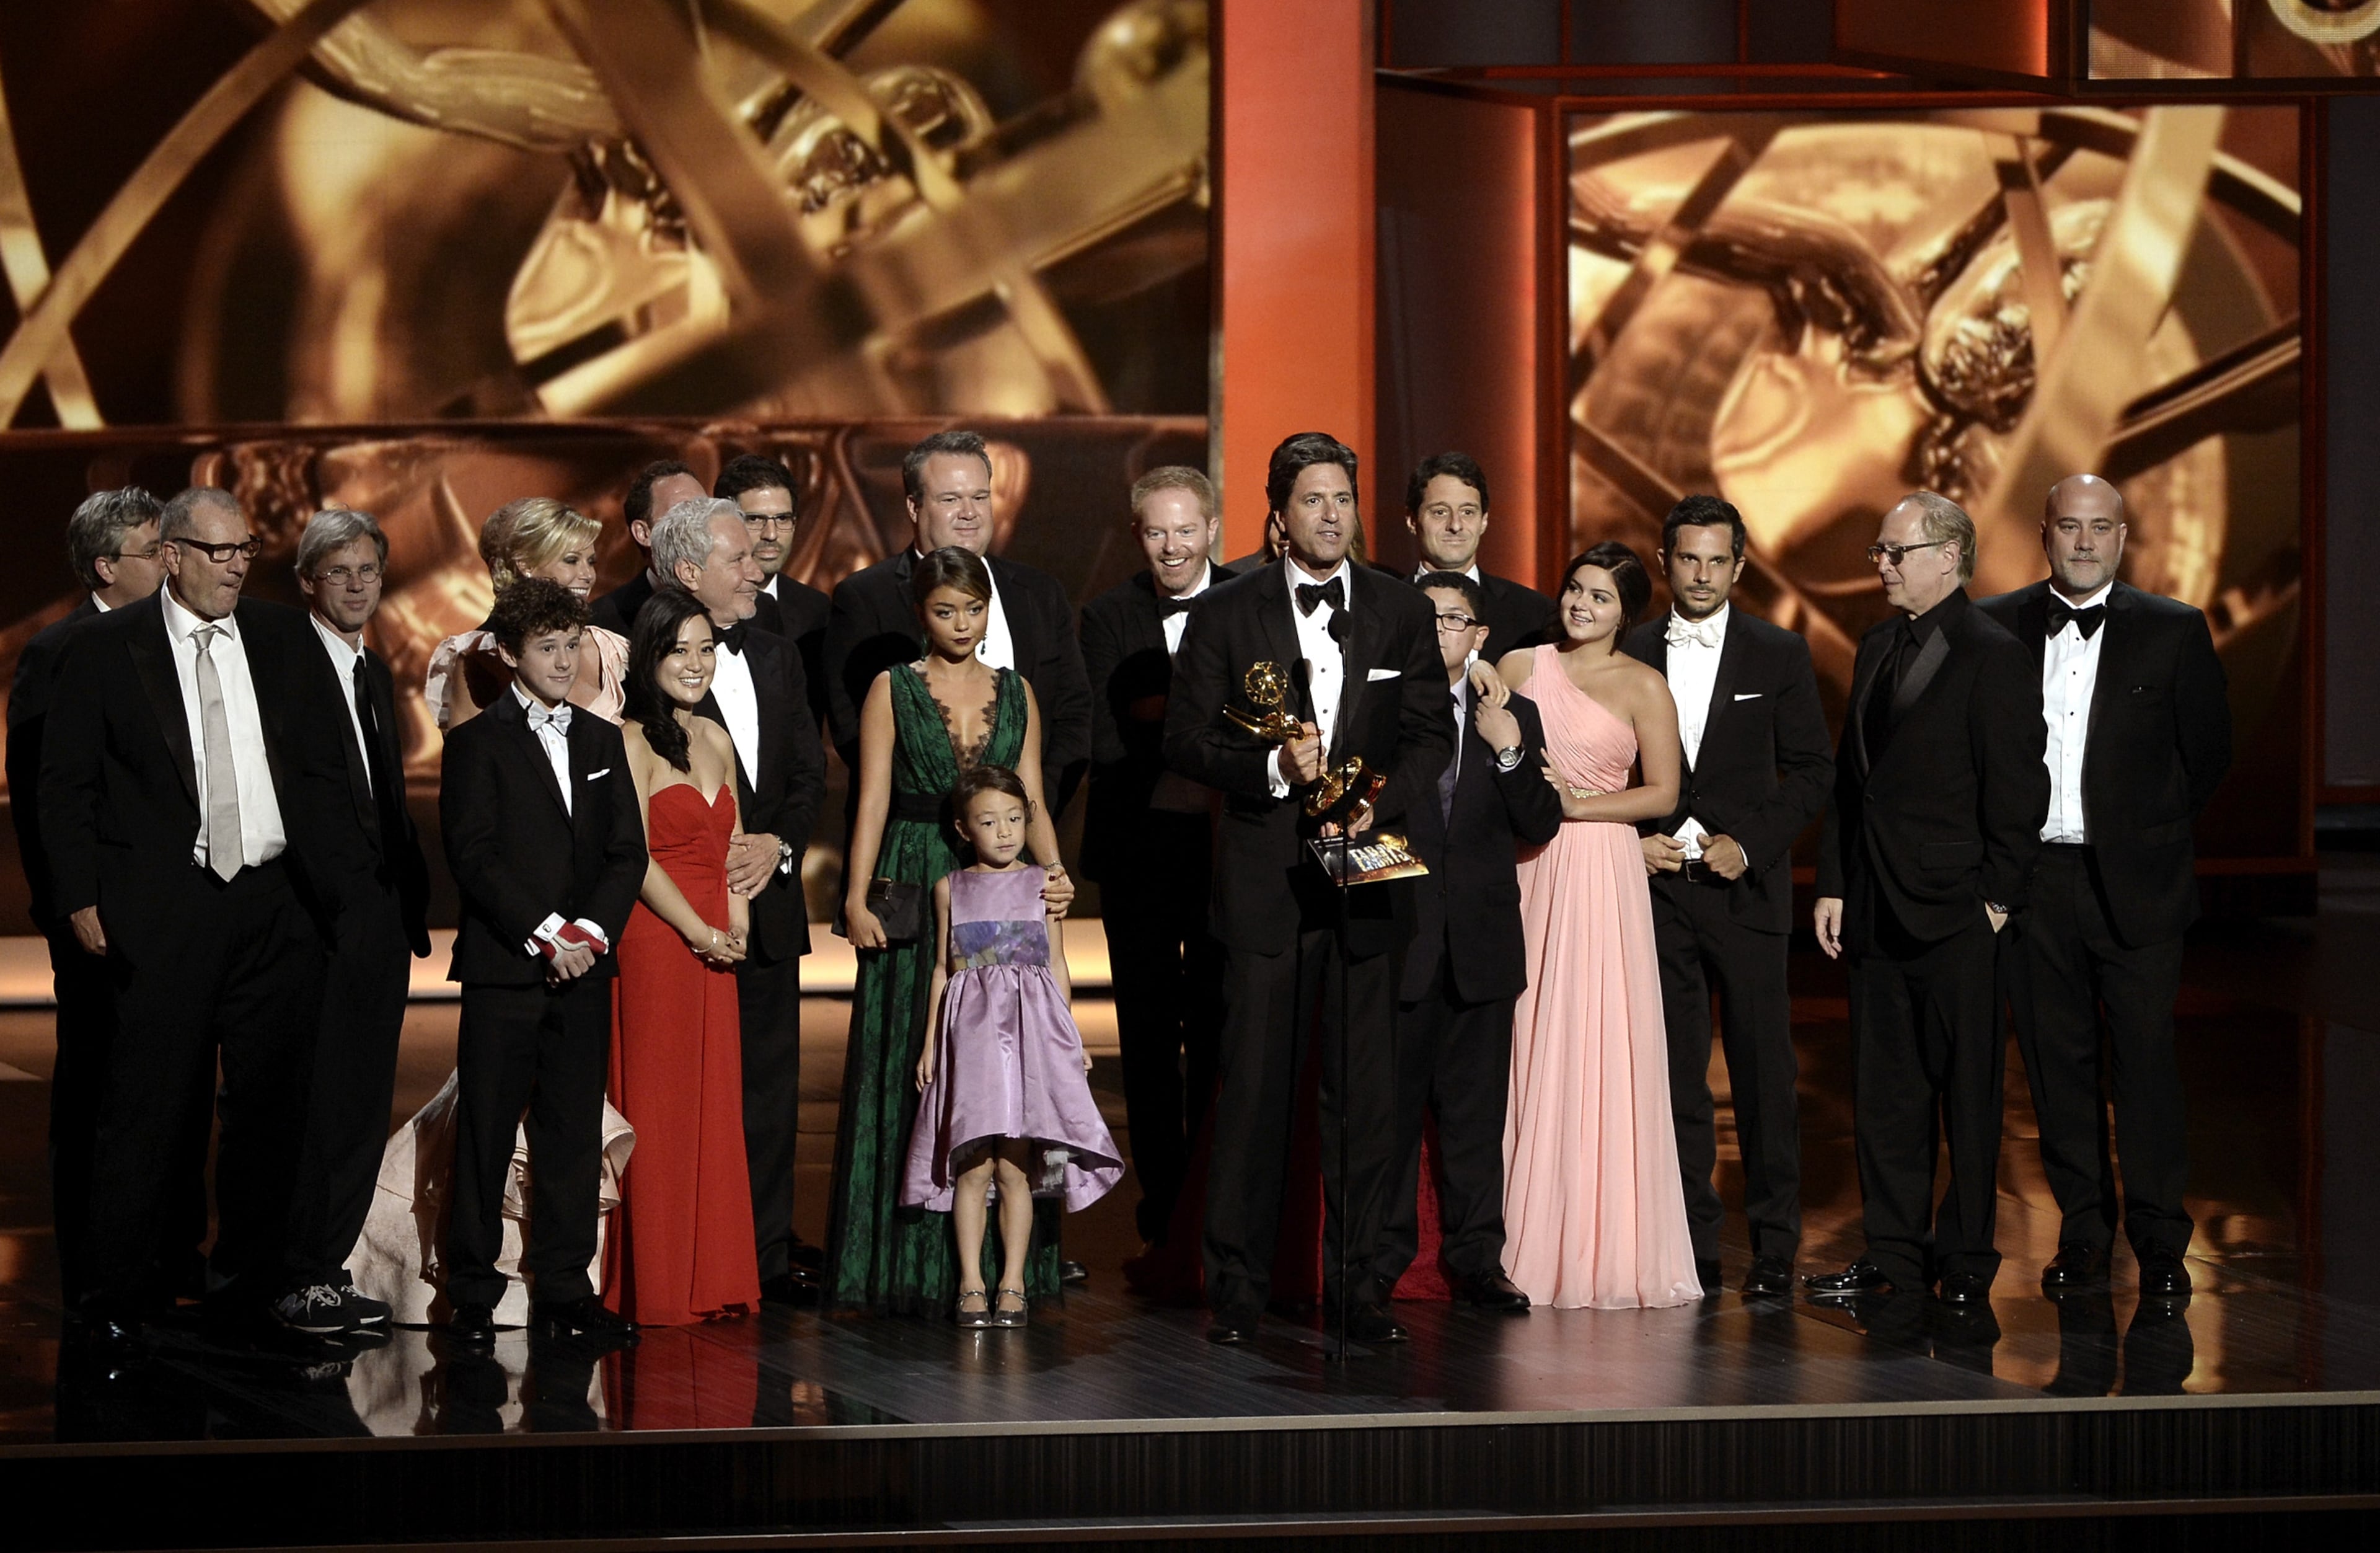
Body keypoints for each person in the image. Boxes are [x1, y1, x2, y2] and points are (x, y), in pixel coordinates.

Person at [1162, 430, 1452, 1347]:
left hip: (1367, 883)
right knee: (1253, 1088)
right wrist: (1276, 773)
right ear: (1279, 517)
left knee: (1366, 1095)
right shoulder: (1226, 612)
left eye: (1343, 499)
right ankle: (1240, 1288)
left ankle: (1363, 1285)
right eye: (1314, 501)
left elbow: (1429, 736)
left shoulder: (1401, 611)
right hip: (1264, 887)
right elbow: (1185, 742)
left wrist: (1378, 803)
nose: (1333, 516)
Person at [40, 486, 335, 1337]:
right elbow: (64, 787)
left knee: (270, 1111)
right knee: (148, 1111)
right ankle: (117, 1301)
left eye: (246, 550)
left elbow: (319, 770)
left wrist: (334, 897)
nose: (238, 565)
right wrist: (78, 897)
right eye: (220, 552)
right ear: (171, 555)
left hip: (278, 910)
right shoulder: (102, 649)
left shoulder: (282, 636)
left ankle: (251, 1286)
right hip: (164, 911)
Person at [1978, 474, 2230, 1302]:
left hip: (2139, 885)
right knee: (2057, 1068)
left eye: (2101, 529)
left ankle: (2160, 1242)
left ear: (2123, 538)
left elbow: (2207, 757)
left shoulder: (2176, 631)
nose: (2085, 543)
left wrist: (2141, 832)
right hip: (2035, 883)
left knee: (2147, 1067)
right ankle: (2084, 1232)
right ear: (2044, 534)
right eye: (2070, 528)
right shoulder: (1996, 625)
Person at [1809, 491, 2048, 1311]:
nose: (1879, 564)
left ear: (1947, 556)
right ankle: (1893, 1256)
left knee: (1970, 1097)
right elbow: (1854, 783)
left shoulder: (1993, 652)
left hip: (1958, 912)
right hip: (1876, 906)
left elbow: (2020, 791)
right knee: (1885, 1095)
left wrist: (1996, 901)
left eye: (1893, 551)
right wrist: (1836, 881)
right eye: (1879, 550)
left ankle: (1968, 1260)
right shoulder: (1876, 644)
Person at [831, 546, 1073, 1315]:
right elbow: (870, 797)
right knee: (913, 1059)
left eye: (973, 610)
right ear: (920, 613)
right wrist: (854, 895)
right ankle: (908, 1265)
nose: (961, 624)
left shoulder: (1019, 691)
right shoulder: (890, 689)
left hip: (1002, 891)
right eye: (945, 611)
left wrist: (1056, 872)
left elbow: (1029, 793)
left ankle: (1006, 1273)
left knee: (1006, 1078)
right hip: (914, 874)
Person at [1620, 495, 1833, 1298]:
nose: (1702, 574)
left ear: (1740, 567)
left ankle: (1776, 1244)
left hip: (1747, 895)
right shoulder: (1632, 650)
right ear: (1665, 562)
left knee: (1763, 1077)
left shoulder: (1779, 654)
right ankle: (1692, 1244)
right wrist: (1629, 844)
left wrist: (1754, 843)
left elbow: (1814, 769)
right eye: (1687, 559)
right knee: (1675, 1078)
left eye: (1717, 560)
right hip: (1660, 893)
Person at [439, 577, 646, 1345]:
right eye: (548, 647)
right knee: (487, 1135)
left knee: (570, 1136)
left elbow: (627, 851)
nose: (563, 661)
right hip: (508, 969)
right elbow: (475, 856)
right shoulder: (475, 745)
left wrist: (588, 934)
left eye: (571, 645)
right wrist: (547, 934)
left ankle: (566, 1292)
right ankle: (472, 1295)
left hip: (585, 968)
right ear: (510, 653)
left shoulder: (600, 741)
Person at [1495, 541, 1701, 1310]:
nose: (1581, 605)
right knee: (1527, 1035)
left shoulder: (1645, 685)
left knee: (1595, 1042)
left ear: (1626, 613)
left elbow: (1661, 795)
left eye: (1601, 598)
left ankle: (1598, 1242)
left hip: (1601, 871)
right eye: (1576, 589)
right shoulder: (1520, 667)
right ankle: (1513, 1238)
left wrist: (1579, 806)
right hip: (1528, 867)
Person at [650, 495, 828, 1303]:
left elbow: (805, 773)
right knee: (690, 1097)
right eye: (737, 557)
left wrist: (776, 845)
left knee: (768, 1095)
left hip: (770, 903)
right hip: (684, 920)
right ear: (689, 572)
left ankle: (761, 1254)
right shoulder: (652, 666)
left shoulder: (780, 653)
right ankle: (687, 1255)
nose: (758, 567)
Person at [1374, 572, 1563, 1309]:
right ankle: (1379, 1264)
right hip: (1400, 942)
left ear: (1481, 636)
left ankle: (1478, 1261)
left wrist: (1510, 750)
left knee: (1477, 1120)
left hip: (1482, 945)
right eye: (1426, 618)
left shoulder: (1516, 715)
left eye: (1454, 619)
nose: (1439, 629)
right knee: (1389, 1120)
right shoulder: (1380, 711)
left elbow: (1540, 823)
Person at [7, 487, 169, 1309]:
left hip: (175, 911)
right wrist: (71, 902)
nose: (172, 562)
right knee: (97, 1093)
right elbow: (45, 795)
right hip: (98, 917)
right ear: (107, 564)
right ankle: (93, 1273)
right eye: (155, 549)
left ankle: (162, 1261)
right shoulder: (58, 649)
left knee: (163, 1094)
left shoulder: (183, 642)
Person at [273, 508, 433, 1335]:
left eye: (369, 569)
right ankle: (302, 1275)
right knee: (322, 1104)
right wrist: (341, 904)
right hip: (323, 925)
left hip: (378, 919)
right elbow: (301, 801)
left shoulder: (369, 669)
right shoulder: (290, 664)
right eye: (340, 571)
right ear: (308, 580)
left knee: (366, 1101)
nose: (359, 584)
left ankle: (328, 1270)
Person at [905, 765, 1123, 1327]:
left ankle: (1014, 1282)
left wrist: (1069, 1036)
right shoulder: (949, 888)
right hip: (972, 1037)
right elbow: (941, 970)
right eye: (988, 821)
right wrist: (932, 1042)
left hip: (1029, 1034)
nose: (1004, 831)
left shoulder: (1044, 884)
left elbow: (1056, 963)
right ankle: (971, 1283)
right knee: (973, 1166)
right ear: (962, 828)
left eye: (1013, 818)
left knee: (1016, 1167)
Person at [1077, 465, 1229, 1249]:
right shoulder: (1107, 615)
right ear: (1139, 535)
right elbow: (1107, 740)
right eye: (1156, 531)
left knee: (1217, 1023)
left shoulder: (1248, 598)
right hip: (1139, 846)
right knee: (1143, 1032)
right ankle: (1163, 1206)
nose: (1173, 546)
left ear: (1212, 528)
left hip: (1220, 850)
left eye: (1186, 529)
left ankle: (1213, 1199)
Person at [605, 586, 762, 1325]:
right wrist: (699, 933)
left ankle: (712, 1277)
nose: (696, 665)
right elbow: (632, 859)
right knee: (661, 1112)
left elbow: (733, 843)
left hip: (714, 946)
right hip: (657, 943)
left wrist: (736, 923)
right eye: (680, 651)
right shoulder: (630, 740)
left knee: (713, 1109)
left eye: (707, 650)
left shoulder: (717, 739)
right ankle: (661, 1285)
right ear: (651, 657)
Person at [823, 429, 1093, 813]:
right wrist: (948, 815)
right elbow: (852, 731)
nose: (970, 512)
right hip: (919, 834)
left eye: (980, 497)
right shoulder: (865, 597)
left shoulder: (1040, 593)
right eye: (951, 499)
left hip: (1026, 835)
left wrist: (1028, 811)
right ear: (914, 508)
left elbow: (1073, 713)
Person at [427, 497, 628, 729]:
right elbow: (469, 757)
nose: (588, 575)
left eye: (591, 562)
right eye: (571, 561)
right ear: (526, 566)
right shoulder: (482, 658)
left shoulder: (610, 648)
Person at [1399, 453, 1557, 659]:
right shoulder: (1382, 609)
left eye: (1467, 512)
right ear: (1412, 521)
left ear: (1484, 521)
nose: (1455, 526)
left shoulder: (1535, 614)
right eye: (1440, 512)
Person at [715, 453, 831, 731]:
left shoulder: (816, 609)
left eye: (783, 519)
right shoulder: (696, 607)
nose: (771, 534)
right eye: (755, 519)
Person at [589, 460, 709, 637]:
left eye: (706, 511)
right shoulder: (603, 625)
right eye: (683, 514)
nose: (701, 524)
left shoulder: (752, 607)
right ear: (644, 533)